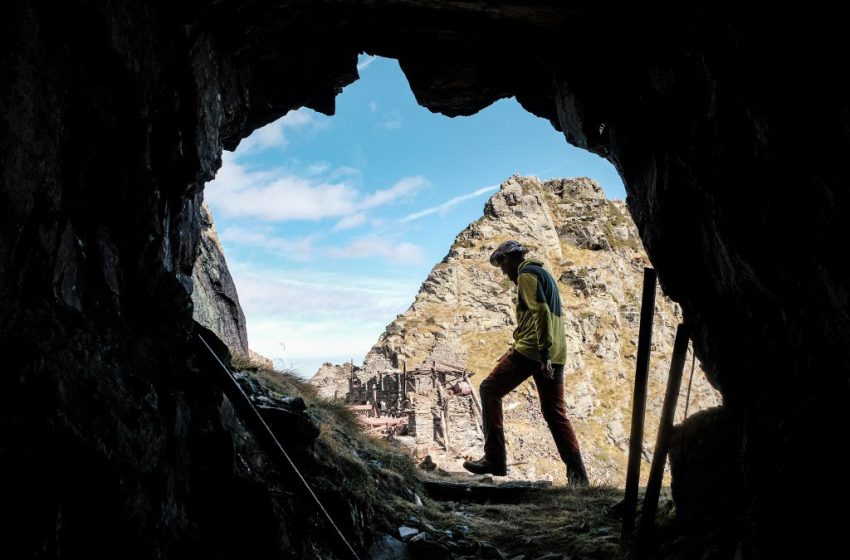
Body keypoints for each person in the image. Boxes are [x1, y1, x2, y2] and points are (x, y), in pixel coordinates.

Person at [463, 240, 590, 486]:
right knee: (555, 413)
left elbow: (540, 312)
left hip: (535, 351)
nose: (503, 271)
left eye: (502, 265)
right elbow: (539, 316)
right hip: (556, 351)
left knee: (489, 390)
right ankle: (578, 477)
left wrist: (542, 354)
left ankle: (494, 459)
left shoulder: (526, 275)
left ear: (509, 259)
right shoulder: (544, 274)